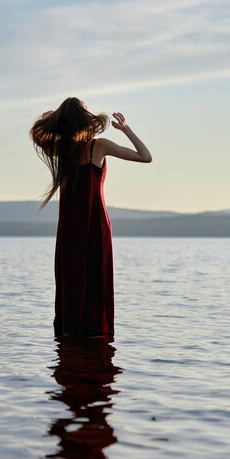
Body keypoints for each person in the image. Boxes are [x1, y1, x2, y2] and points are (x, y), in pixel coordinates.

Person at [30, 97, 152, 338]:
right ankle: (96, 332)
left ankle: (72, 331)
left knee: (72, 278)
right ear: (86, 121)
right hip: (95, 224)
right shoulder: (98, 146)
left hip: (69, 228)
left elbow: (38, 136)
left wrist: (48, 119)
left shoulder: (61, 150)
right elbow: (145, 156)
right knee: (96, 276)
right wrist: (126, 130)